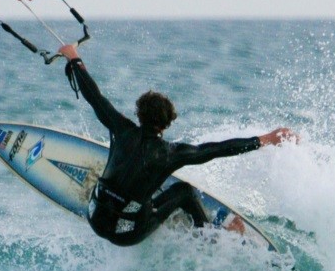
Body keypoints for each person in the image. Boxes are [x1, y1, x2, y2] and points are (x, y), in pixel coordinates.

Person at [58, 42, 297, 247]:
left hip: (95, 218)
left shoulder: (120, 128)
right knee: (183, 191)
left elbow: (94, 96)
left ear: (139, 114)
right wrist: (266, 139)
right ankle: (209, 237)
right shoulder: (170, 154)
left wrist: (74, 57)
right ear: (167, 124)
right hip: (128, 234)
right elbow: (217, 149)